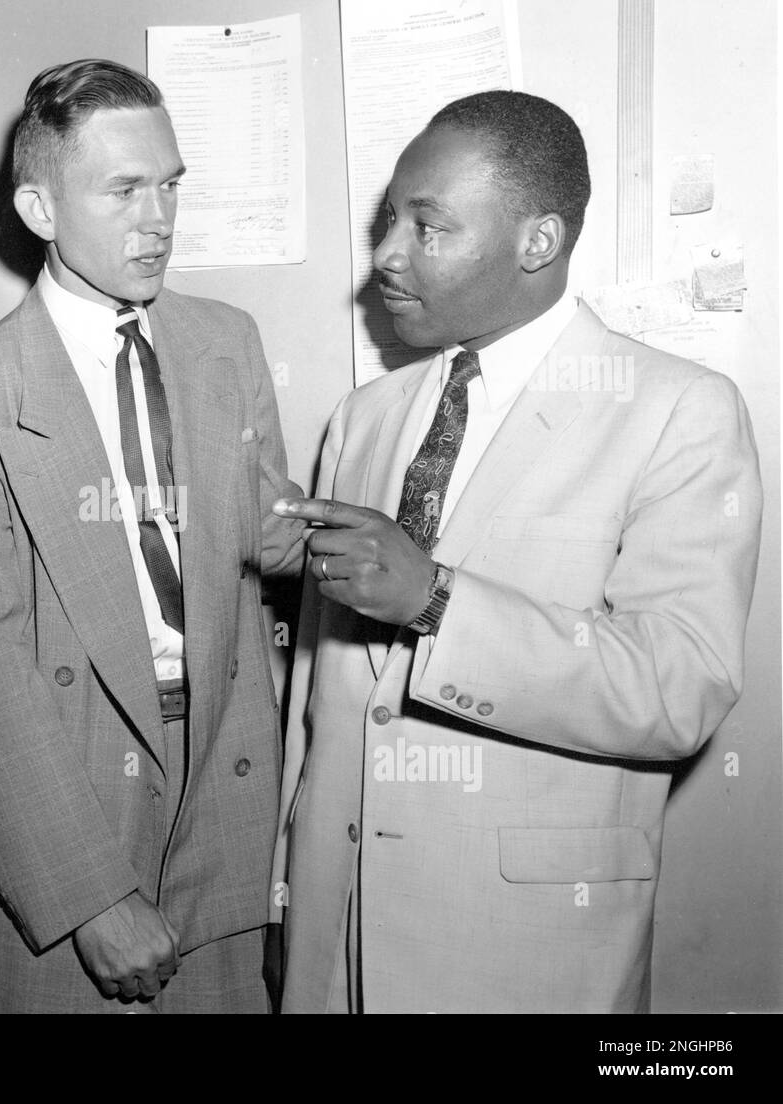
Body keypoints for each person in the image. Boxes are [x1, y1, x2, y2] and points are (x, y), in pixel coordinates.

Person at [270, 91, 762, 1013]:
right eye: (388, 222)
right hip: (335, 947)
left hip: (526, 958)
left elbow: (680, 688)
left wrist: (436, 601)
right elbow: (320, 698)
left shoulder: (677, 411)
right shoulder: (363, 419)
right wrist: (286, 894)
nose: (385, 254)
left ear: (538, 242)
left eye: (428, 226)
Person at [0, 58, 305, 1013]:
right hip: (66, 814)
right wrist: (91, 896)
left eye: (170, 185)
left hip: (224, 800)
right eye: (123, 189)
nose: (158, 218)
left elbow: (259, 539)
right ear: (39, 209)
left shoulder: (227, 343)